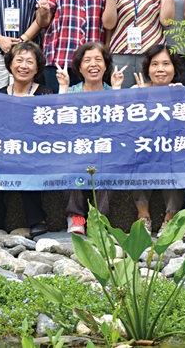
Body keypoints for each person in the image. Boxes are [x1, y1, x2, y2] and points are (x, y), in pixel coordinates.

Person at [0, 40, 53, 236]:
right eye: (19, 60)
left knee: (27, 162)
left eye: (30, 61)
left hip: (35, 150)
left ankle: (37, 218)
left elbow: (52, 129)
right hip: (5, 148)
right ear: (10, 64)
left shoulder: (45, 94)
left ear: (37, 67)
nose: (23, 66)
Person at [56, 42, 119, 234]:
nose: (93, 64)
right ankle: (75, 216)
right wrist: (63, 88)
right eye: (87, 60)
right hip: (77, 148)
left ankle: (98, 219)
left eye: (98, 59)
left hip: (105, 149)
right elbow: (58, 122)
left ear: (106, 66)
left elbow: (120, 125)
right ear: (79, 67)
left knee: (113, 164)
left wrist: (117, 91)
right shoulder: (71, 92)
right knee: (66, 161)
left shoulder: (113, 92)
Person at [128, 45, 185, 234]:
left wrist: (178, 98)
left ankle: (170, 218)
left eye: (166, 64)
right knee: (136, 154)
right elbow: (127, 128)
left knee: (178, 158)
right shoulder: (135, 90)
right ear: (147, 69)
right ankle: (143, 216)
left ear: (175, 69)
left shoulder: (182, 93)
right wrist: (140, 100)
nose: (160, 69)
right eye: (155, 64)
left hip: (171, 149)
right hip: (144, 147)